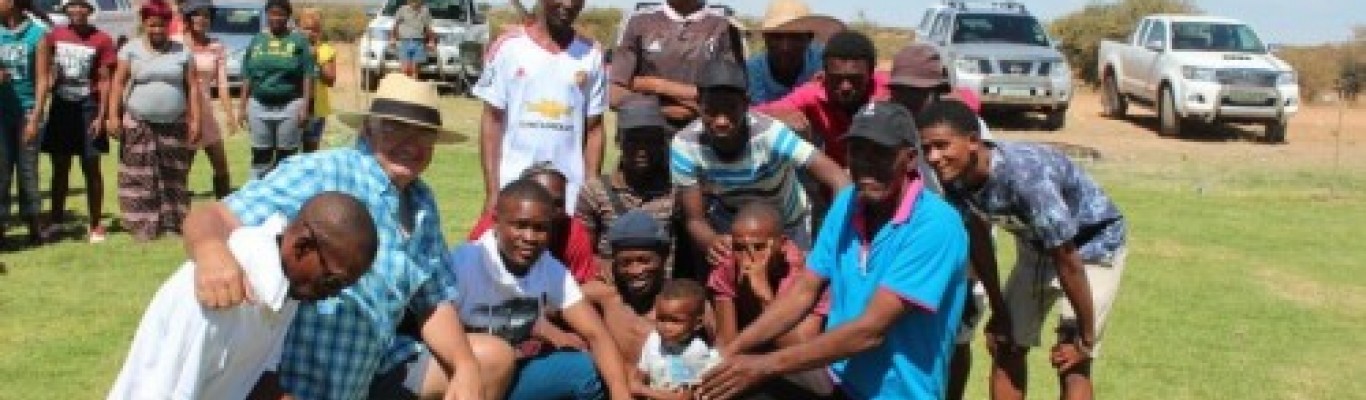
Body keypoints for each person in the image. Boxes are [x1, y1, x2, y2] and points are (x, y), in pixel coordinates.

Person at [183, 74, 483, 400]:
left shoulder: (422, 203)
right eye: (396, 128)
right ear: (368, 129)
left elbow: (433, 299)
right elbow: (216, 215)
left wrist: (465, 366)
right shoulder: (325, 171)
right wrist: (211, 252)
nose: (411, 143)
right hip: (282, 378)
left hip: (365, 371)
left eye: (423, 133)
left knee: (489, 360)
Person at [697, 102, 970, 400]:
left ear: (910, 158)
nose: (866, 165)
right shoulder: (848, 202)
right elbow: (804, 291)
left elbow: (870, 331)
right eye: (857, 151)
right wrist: (729, 352)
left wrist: (763, 366)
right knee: (725, 386)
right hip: (839, 379)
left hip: (898, 394)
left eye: (880, 153)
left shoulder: (935, 225)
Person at [916, 100, 1128, 400]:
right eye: (926, 148)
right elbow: (978, 239)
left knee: (1071, 356)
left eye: (941, 146)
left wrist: (1086, 337)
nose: (932, 157)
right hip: (1038, 246)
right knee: (1006, 343)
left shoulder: (1025, 177)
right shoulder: (954, 178)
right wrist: (999, 310)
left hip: (1092, 244)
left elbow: (1067, 258)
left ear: (973, 141)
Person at [108, 192, 379, 399]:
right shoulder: (217, 297)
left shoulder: (285, 287)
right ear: (303, 247)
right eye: (333, 282)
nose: (333, 295)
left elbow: (255, 376)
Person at [442, 178, 633, 400]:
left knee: (587, 369)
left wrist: (621, 393)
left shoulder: (550, 269)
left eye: (540, 228)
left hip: (510, 375)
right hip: (461, 376)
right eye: (520, 225)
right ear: (495, 222)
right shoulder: (463, 263)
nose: (530, 237)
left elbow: (596, 334)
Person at [884, 42, 994, 400]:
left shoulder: (962, 129)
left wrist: (971, 278)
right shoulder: (892, 127)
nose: (908, 100)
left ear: (937, 91)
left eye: (917, 92)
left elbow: (978, 216)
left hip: (964, 254)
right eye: (901, 91)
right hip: (911, 251)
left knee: (956, 340)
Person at [671, 59, 849, 277]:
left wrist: (833, 234)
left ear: (746, 104)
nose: (721, 121)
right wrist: (711, 241)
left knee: (794, 286)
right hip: (733, 226)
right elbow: (694, 219)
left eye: (731, 109)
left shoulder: (771, 135)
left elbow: (838, 178)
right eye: (711, 111)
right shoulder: (685, 145)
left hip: (788, 223)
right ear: (699, 104)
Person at [474, 0, 606, 213]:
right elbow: (492, 120)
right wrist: (493, 191)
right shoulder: (508, 48)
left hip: (568, 198)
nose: (568, 4)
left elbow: (594, 129)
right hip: (513, 189)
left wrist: (591, 193)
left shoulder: (592, 54)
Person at [107, 0, 201, 242]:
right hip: (139, 122)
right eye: (152, 25)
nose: (157, 30)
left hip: (174, 122)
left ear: (169, 25)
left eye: (162, 25)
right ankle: (142, 225)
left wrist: (196, 120)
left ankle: (173, 224)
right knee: (138, 175)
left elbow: (192, 87)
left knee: (174, 174)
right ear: (144, 24)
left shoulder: (182, 52)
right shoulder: (130, 50)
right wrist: (113, 115)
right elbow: (117, 83)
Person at [754, 30, 888, 167]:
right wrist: (776, 115)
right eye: (836, 78)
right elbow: (752, 113)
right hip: (836, 174)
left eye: (855, 79)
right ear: (825, 73)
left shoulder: (889, 90)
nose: (845, 87)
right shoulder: (813, 93)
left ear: (871, 73)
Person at [40, 0, 115, 243]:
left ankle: (95, 224)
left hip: (88, 107)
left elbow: (105, 80)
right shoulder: (55, 36)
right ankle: (56, 221)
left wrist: (102, 115)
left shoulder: (102, 40)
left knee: (91, 166)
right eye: (73, 6)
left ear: (90, 10)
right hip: (62, 107)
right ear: (66, 10)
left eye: (83, 6)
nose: (78, 10)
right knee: (60, 167)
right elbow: (44, 67)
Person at [575, 102, 676, 275]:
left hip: (663, 286)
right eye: (633, 140)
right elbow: (583, 253)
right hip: (611, 284)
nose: (642, 149)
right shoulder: (594, 191)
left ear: (662, 143)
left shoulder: (675, 192)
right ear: (618, 141)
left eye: (650, 140)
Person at [609, 0, 745, 128]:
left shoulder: (725, 25)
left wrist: (653, 85)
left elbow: (732, 97)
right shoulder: (638, 21)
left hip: (703, 134)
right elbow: (614, 94)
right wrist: (662, 109)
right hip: (645, 132)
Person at [469, 163, 598, 284]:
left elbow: (586, 284)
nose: (550, 211)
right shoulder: (492, 225)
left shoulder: (573, 232)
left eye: (558, 204)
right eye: (540, 201)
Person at [577, 210, 674, 365]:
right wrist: (561, 336)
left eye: (644, 260)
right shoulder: (605, 297)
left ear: (664, 257)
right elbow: (547, 308)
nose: (635, 271)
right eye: (625, 263)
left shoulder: (684, 302)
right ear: (614, 263)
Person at [238, 0, 313, 180]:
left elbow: (308, 75)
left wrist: (305, 107)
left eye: (281, 14)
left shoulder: (299, 41)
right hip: (258, 106)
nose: (276, 18)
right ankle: (257, 192)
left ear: (288, 17)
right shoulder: (257, 40)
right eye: (272, 14)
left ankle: (284, 193)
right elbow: (247, 75)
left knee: (286, 159)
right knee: (260, 155)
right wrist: (241, 107)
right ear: (267, 15)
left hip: (290, 106)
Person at [0, 0, 52, 246]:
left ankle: (33, 223)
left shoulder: (37, 35)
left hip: (27, 110)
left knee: (27, 170)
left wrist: (35, 117)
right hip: (1, 113)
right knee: (1, 171)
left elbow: (42, 79)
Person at [632, 279, 719, 400]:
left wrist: (643, 390)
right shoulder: (653, 339)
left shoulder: (695, 351)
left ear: (697, 323)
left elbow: (684, 397)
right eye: (661, 319)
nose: (666, 327)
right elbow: (637, 379)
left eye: (675, 321)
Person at [183, 2, 234, 199]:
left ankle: (223, 206)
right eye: (197, 15)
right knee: (183, 166)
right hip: (182, 112)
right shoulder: (177, 44)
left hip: (206, 112)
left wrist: (230, 115)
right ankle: (176, 208)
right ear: (188, 18)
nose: (202, 19)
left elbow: (222, 84)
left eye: (206, 15)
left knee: (221, 165)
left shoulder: (216, 46)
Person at [745, 0, 829, 104]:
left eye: (795, 37)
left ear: (809, 38)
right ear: (765, 38)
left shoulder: (822, 61)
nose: (785, 47)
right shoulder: (753, 70)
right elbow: (760, 111)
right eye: (777, 37)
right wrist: (807, 92)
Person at [298, 7, 336, 153]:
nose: (310, 33)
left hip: (316, 109)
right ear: (298, 29)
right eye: (306, 29)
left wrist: (316, 60)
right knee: (289, 149)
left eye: (314, 30)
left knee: (310, 150)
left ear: (320, 32)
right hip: (294, 106)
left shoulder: (326, 50)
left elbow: (330, 81)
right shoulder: (293, 48)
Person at [391, 0, 433, 78]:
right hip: (404, 41)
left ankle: (414, 83)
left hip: (418, 42)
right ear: (408, 1)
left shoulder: (425, 11)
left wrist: (431, 41)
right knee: (405, 69)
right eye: (412, 1)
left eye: (417, 1)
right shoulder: (402, 9)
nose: (414, 2)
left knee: (415, 70)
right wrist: (392, 38)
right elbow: (395, 25)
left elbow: (428, 28)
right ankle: (405, 84)